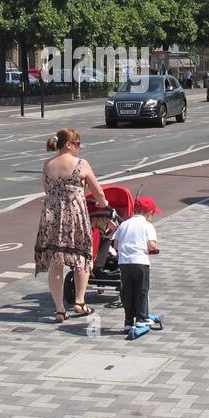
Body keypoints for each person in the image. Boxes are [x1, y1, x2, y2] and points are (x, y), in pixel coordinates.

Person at [35, 128, 107, 322]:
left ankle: (59, 310)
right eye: (77, 144)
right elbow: (98, 191)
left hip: (51, 216)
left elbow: (46, 189)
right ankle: (79, 302)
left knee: (56, 262)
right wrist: (103, 204)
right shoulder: (81, 164)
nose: (79, 148)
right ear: (68, 144)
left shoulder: (47, 164)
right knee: (81, 255)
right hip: (74, 215)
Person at [114, 196, 163, 338]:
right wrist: (154, 249)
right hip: (140, 262)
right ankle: (141, 319)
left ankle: (128, 320)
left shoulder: (124, 224)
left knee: (127, 292)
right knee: (142, 291)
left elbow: (116, 244)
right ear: (148, 213)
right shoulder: (147, 226)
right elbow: (151, 245)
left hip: (124, 263)